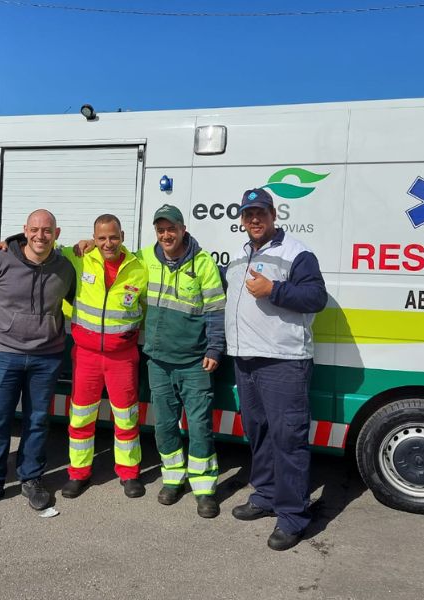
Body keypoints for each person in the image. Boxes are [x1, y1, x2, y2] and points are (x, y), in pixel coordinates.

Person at [225, 188, 328, 551]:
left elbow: (317, 298)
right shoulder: (239, 255)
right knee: (260, 434)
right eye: (249, 213)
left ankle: (293, 516)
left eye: (261, 213)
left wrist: (275, 290)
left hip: (283, 362)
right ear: (242, 218)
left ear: (273, 215)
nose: (255, 219)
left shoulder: (297, 253)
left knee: (288, 439)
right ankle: (266, 495)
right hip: (246, 359)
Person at [0, 209, 76, 515]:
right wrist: (0, 328)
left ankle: (31, 479)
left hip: (47, 357)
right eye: (35, 229)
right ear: (25, 230)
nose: (41, 235)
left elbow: (78, 296)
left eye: (48, 230)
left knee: (37, 421)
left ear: (57, 233)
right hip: (4, 354)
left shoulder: (65, 268)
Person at [136, 205, 226, 518]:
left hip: (194, 363)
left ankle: (204, 489)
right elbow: (113, 258)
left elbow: (215, 309)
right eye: (160, 230)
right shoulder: (144, 258)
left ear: (182, 229)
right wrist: (85, 246)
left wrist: (214, 349)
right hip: (158, 361)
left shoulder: (202, 263)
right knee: (163, 426)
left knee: (200, 427)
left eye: (170, 229)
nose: (166, 235)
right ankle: (173, 479)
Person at [61, 214, 148, 499]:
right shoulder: (80, 258)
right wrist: (5, 245)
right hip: (85, 355)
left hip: (122, 357)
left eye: (113, 237)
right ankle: (79, 473)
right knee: (81, 417)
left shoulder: (139, 267)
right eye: (101, 238)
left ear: (122, 235)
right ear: (93, 238)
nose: (108, 243)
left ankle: (129, 473)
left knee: (126, 417)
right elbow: (42, 246)